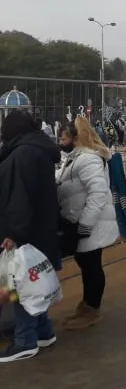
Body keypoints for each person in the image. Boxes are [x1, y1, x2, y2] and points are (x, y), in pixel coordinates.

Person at [0, 110, 61, 363]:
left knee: (17, 284)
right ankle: (43, 330)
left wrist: (13, 233)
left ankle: (25, 340)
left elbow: (19, 198)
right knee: (32, 282)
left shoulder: (22, 154)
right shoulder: (36, 150)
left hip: (24, 231)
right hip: (40, 229)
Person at [56, 117, 120, 331]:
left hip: (90, 224)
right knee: (86, 264)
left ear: (75, 138)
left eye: (64, 137)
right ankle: (87, 304)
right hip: (82, 221)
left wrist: (85, 223)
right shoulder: (77, 158)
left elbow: (97, 193)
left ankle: (92, 308)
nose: (60, 142)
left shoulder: (88, 159)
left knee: (91, 265)